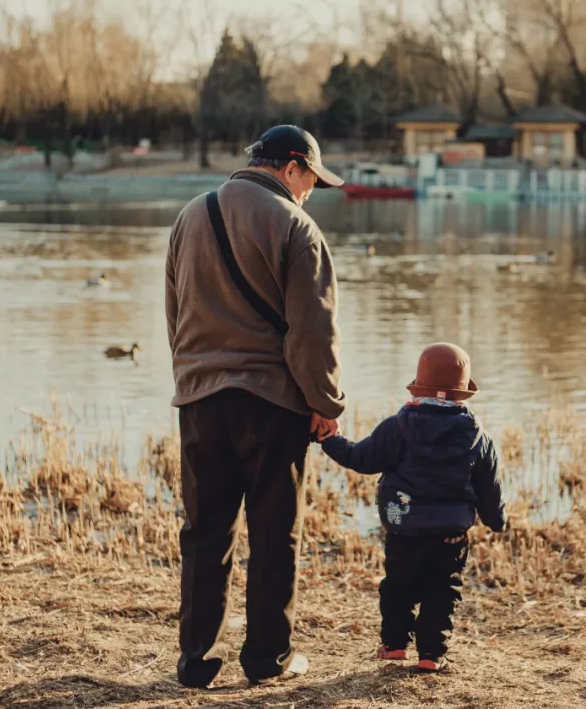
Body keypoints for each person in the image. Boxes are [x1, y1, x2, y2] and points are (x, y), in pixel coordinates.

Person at [166, 125, 346, 689]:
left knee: (204, 533)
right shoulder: (297, 227)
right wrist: (325, 402)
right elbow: (312, 332)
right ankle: (268, 659)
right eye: (312, 179)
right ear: (292, 167)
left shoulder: (190, 215)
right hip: (272, 403)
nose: (311, 191)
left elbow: (174, 310)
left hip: (199, 397)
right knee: (274, 534)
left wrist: (191, 375)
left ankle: (197, 663)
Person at [320, 343, 507, 672]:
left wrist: (330, 439)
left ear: (419, 385)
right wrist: (496, 520)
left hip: (403, 528)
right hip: (450, 535)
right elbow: (489, 486)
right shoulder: (479, 438)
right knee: (443, 591)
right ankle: (431, 655)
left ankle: (394, 646)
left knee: (398, 585)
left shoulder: (398, 427)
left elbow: (361, 458)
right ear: (462, 394)